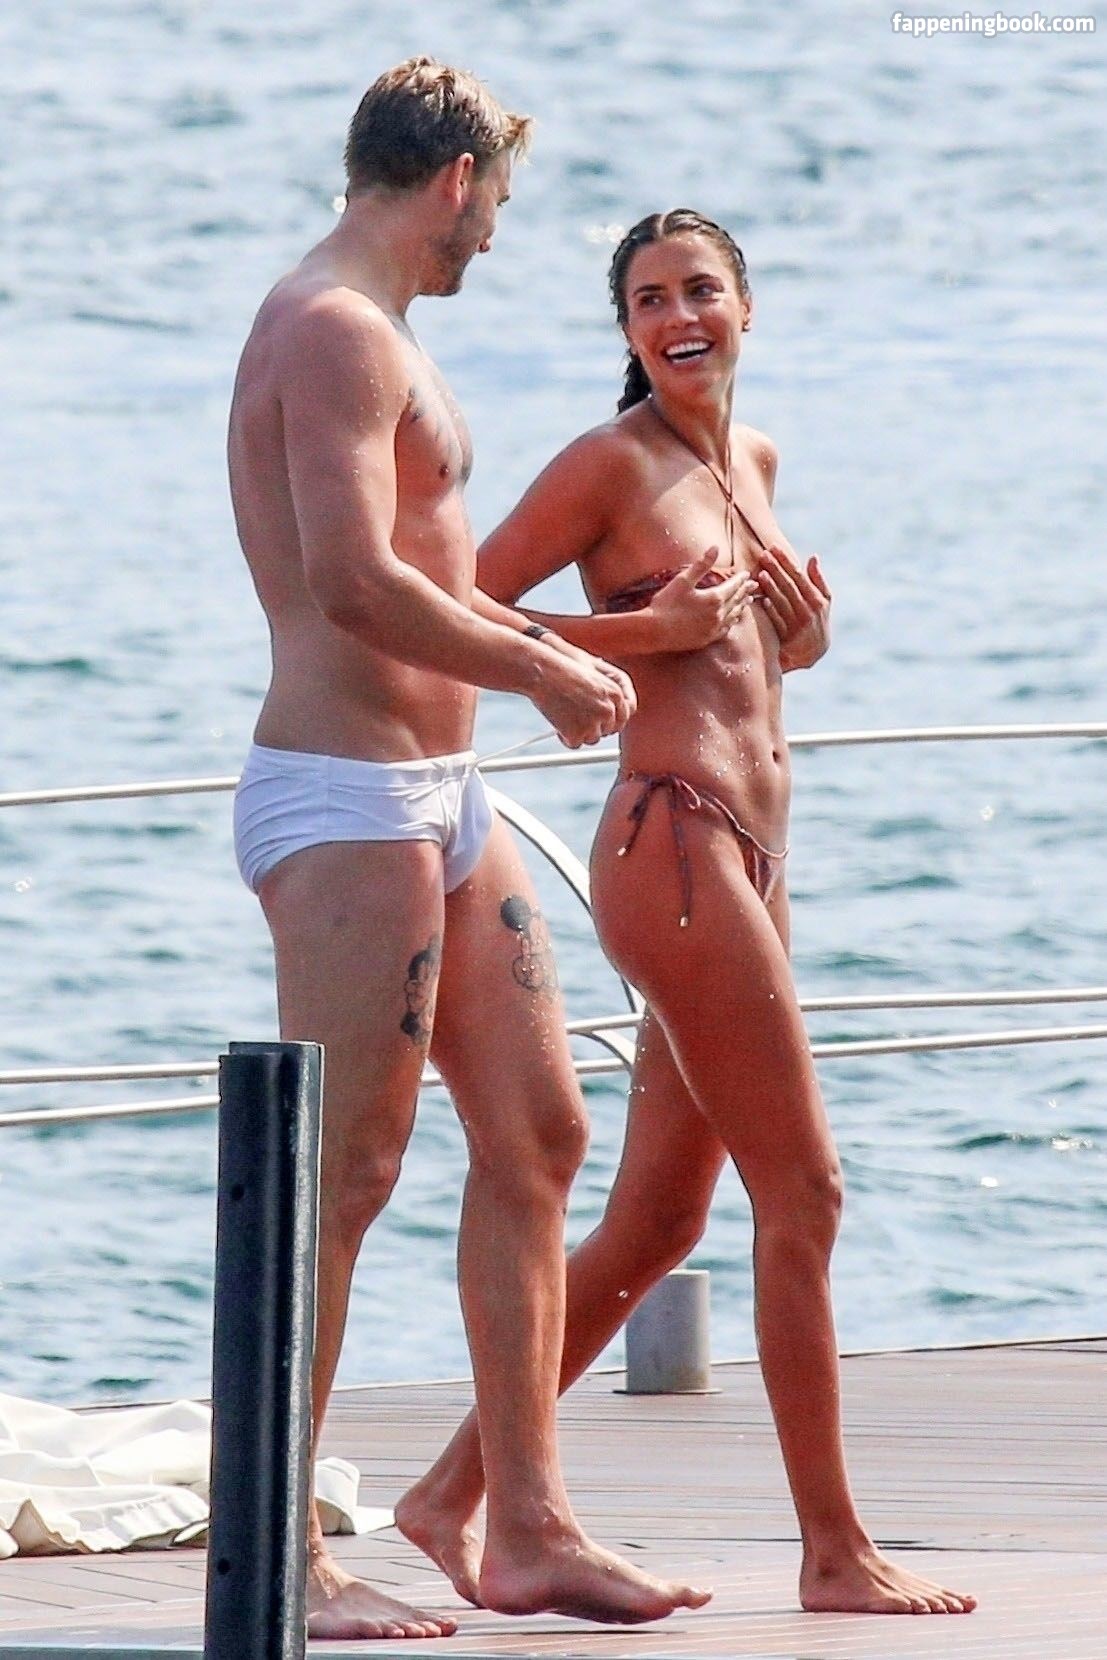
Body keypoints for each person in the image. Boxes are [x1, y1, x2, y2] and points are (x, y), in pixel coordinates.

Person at [395, 209, 977, 1619]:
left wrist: (803, 636)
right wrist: (641, 635)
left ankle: (450, 1495)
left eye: (700, 290)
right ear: (628, 330)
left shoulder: (752, 463)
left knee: (660, 1222)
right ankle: (833, 1550)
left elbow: (755, 666)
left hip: (759, 861)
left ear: (746, 307)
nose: (678, 318)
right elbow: (456, 606)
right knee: (806, 1194)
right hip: (674, 848)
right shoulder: (610, 464)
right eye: (649, 300)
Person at [228, 68, 713, 1641]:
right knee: (347, 1173)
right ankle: (285, 1554)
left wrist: (575, 648)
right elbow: (354, 583)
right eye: (497, 200)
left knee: (541, 1133)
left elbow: (428, 572)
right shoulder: (333, 329)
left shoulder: (380, 330)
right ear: (453, 177)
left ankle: (528, 1528)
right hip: (347, 798)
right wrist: (542, 673)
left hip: (443, 793)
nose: (495, 235)